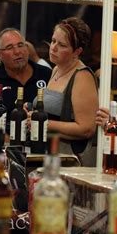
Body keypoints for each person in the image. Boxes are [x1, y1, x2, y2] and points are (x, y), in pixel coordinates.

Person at [39, 17, 98, 166]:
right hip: (49, 154)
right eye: (53, 41)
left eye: (62, 45)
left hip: (70, 160)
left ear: (77, 51)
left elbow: (87, 128)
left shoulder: (82, 76)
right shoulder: (56, 69)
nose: (53, 48)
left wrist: (44, 123)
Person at [0, 28, 52, 131]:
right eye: (9, 47)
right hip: (4, 144)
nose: (17, 51)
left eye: (21, 45)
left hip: (42, 143)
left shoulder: (46, 75)